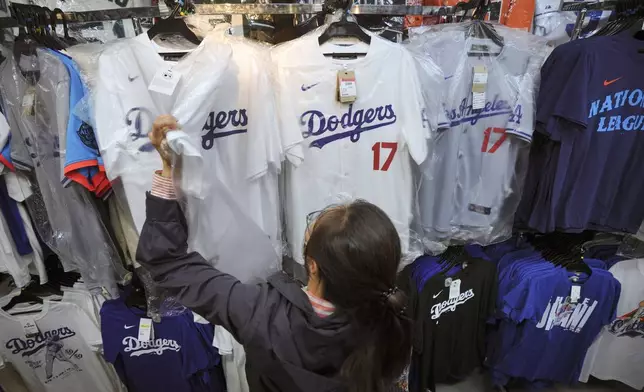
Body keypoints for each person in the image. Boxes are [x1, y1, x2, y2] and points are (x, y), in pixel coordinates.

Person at [136, 115, 412, 392]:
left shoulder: (260, 313)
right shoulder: (388, 323)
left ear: (313, 265)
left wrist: (168, 171)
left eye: (312, 224)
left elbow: (165, 262)